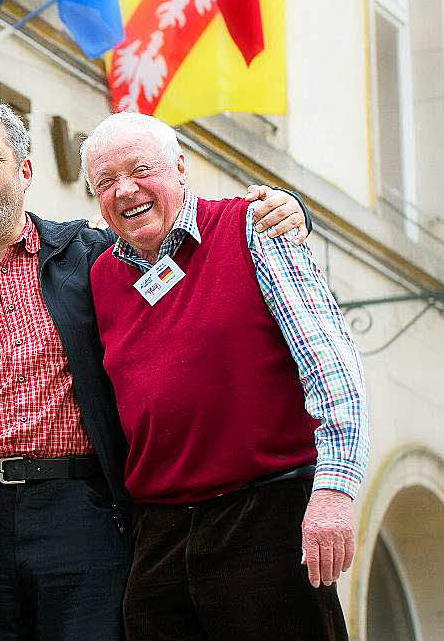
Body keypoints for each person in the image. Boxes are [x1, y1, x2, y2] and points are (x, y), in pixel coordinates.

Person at [0, 98, 310, 641]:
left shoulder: (92, 254)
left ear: (25, 172)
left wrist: (288, 212)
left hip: (87, 517)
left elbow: (183, 241)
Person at [81, 112, 369, 641]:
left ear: (181, 168)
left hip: (265, 513)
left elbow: (332, 366)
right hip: (160, 533)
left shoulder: (253, 227)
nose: (126, 190)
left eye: (142, 169)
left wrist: (335, 491)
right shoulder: (101, 274)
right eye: (106, 181)